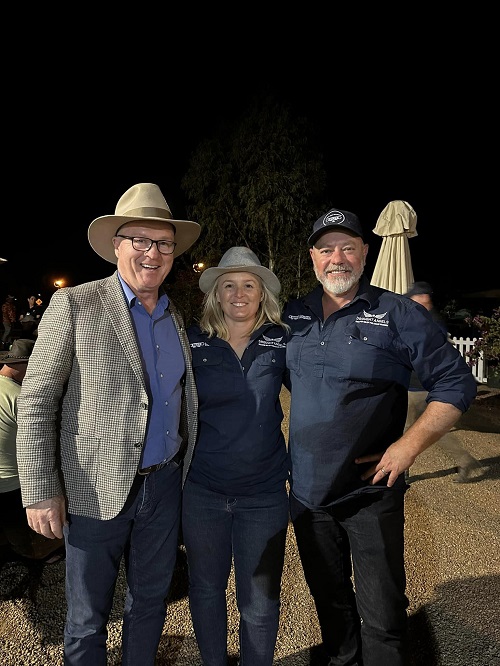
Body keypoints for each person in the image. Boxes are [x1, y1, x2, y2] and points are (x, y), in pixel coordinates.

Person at [16, 182, 200, 665]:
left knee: (149, 604)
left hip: (162, 490)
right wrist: (39, 488)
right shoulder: (74, 305)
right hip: (93, 490)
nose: (152, 252)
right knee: (86, 619)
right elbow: (36, 401)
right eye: (139, 240)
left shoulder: (174, 315)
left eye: (163, 243)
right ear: (116, 245)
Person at [283, 208, 477, 666]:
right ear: (312, 256)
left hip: (371, 491)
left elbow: (457, 384)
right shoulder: (293, 316)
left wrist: (408, 445)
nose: (338, 258)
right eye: (326, 249)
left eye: (348, 247)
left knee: (385, 617)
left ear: (365, 253)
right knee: (331, 613)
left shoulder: (398, 313)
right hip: (308, 497)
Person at [183, 247, 290, 666]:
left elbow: (320, 395)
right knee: (206, 589)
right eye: (229, 285)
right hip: (203, 492)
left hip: (263, 496)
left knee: (260, 601)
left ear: (262, 294)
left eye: (249, 285)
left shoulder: (281, 339)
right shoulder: (192, 341)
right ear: (216, 294)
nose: (239, 293)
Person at [404, 281, 481, 482]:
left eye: (417, 298)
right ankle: (464, 460)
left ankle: (401, 473)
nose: (415, 301)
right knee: (430, 429)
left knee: (412, 430)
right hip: (420, 385)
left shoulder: (428, 323)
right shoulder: (424, 319)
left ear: (423, 298)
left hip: (419, 387)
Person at [0, 339, 65, 563]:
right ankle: (32, 554)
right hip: (11, 481)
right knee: (17, 526)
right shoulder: (22, 398)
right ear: (22, 365)